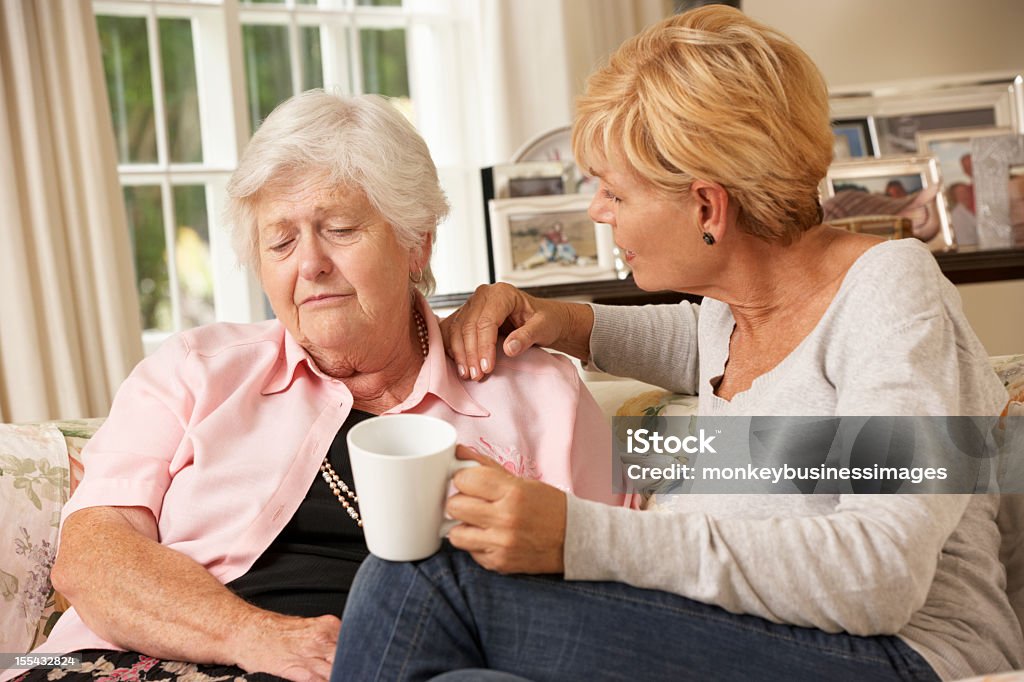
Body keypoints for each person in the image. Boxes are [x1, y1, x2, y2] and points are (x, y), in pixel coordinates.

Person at [331, 7, 1022, 682]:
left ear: (706, 207)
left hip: (902, 655)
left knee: (420, 582)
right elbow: (696, 341)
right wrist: (555, 318)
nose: (598, 211)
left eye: (614, 192)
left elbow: (881, 574)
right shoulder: (736, 311)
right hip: (752, 633)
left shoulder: (890, 294)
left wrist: (578, 534)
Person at [4, 92, 629, 682]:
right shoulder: (195, 370)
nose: (310, 265)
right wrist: (255, 637)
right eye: (280, 241)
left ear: (417, 243)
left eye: (340, 229)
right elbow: (92, 555)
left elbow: (616, 584)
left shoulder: (538, 392)